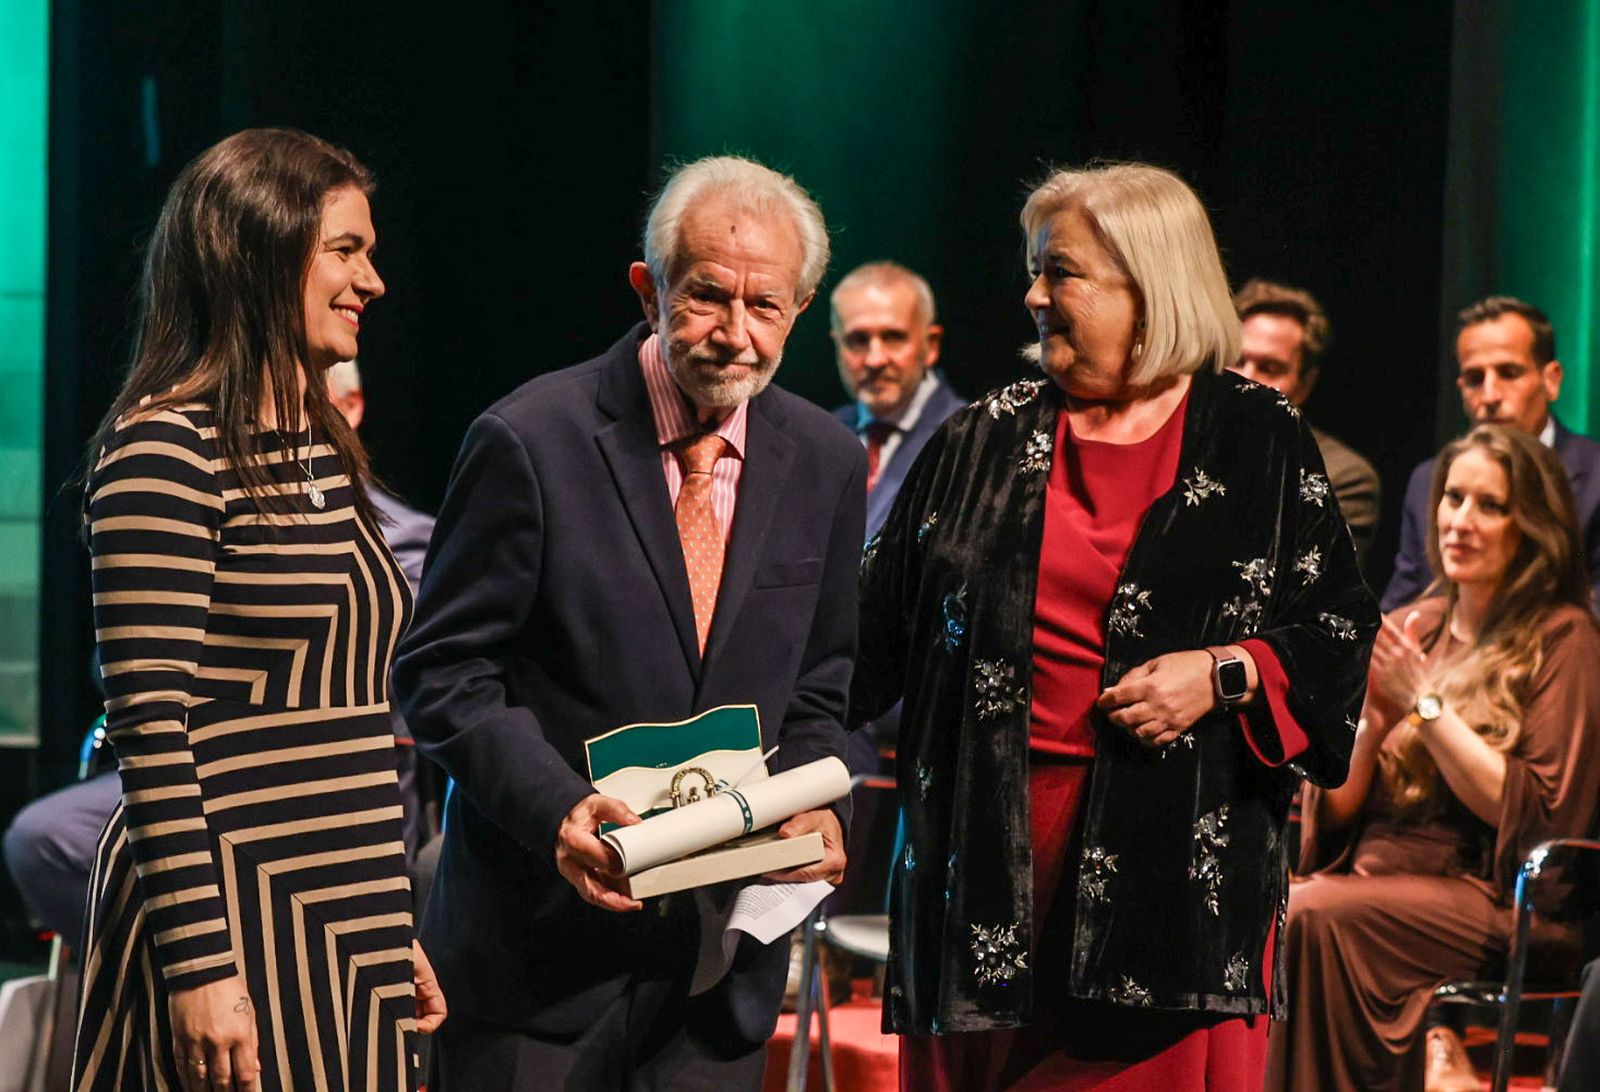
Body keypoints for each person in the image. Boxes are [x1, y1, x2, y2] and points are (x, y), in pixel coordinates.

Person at [851, 162, 1377, 1089]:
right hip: (978, 879)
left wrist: (1225, 671)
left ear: (1151, 282)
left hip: (1172, 897)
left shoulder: (1259, 438)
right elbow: (856, 635)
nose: (1033, 296)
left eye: (1060, 272)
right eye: (1034, 270)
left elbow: (1338, 627)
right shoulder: (980, 439)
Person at [392, 155, 865, 1090]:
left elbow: (824, 686)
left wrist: (823, 802)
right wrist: (558, 809)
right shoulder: (528, 440)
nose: (735, 334)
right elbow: (442, 671)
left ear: (802, 308)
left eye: (765, 307)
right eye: (705, 298)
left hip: (714, 981)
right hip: (532, 969)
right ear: (647, 289)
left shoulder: (827, 460)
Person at [73, 128, 445, 1092]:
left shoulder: (325, 446)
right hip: (231, 915)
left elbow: (352, 720)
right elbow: (150, 730)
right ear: (258, 250)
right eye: (347, 250)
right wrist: (199, 968)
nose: (375, 283)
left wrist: (385, 921)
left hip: (344, 909)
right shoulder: (166, 449)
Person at [4, 360, 436, 945]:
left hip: (327, 772)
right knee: (47, 838)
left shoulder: (403, 543)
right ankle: (168, 983)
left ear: (350, 408)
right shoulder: (197, 487)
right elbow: (123, 677)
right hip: (199, 752)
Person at [1267, 424, 1600, 1091]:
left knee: (1313, 916)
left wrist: (1425, 706)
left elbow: (1538, 813)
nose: (1461, 522)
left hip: (1489, 893)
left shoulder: (1563, 638)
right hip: (1370, 880)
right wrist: (1372, 727)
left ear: (1531, 526)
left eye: (1490, 505)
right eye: (1453, 499)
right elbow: (1334, 811)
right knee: (1281, 902)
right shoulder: (1413, 626)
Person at [1384, 296, 1600, 611]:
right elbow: (1399, 612)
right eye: (1474, 379)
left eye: (1509, 373)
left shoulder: (1595, 477)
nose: (1489, 395)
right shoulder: (1428, 481)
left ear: (1551, 380)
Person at [1228, 278, 1381, 564]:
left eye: (1269, 368)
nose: (1246, 378)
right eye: (1237, 360)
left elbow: (1302, 588)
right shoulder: (1182, 445)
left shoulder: (1342, 477)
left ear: (1305, 385)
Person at [830, 261, 966, 540]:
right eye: (857, 339)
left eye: (893, 337)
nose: (875, 359)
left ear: (931, 345)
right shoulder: (821, 436)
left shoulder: (968, 439)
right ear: (837, 344)